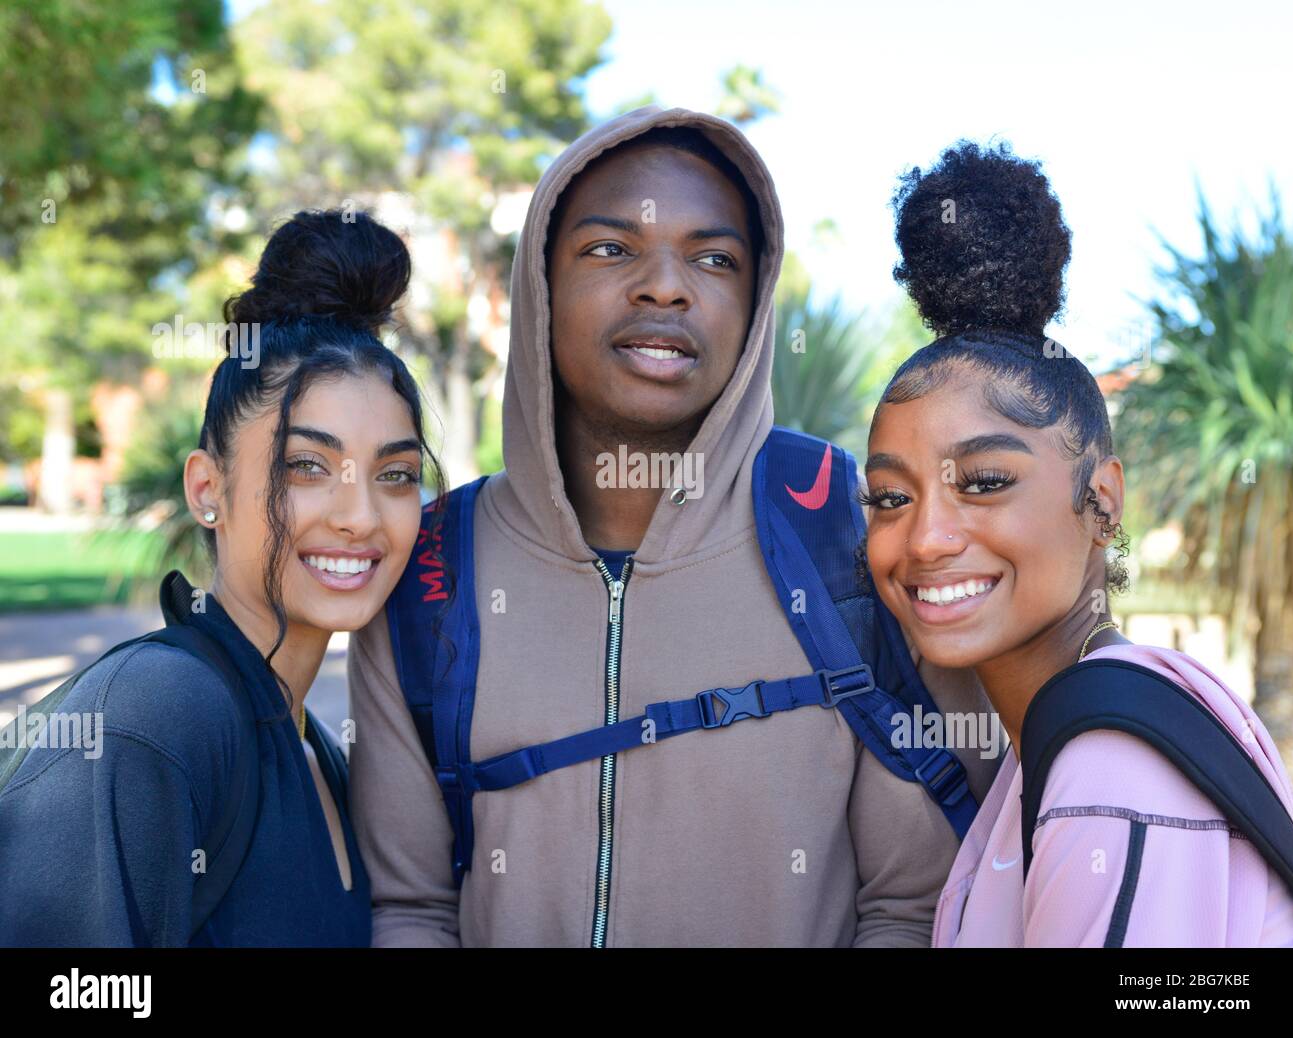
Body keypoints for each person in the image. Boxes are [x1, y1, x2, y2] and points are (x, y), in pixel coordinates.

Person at [346, 105, 1002, 947]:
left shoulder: (849, 533)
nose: (665, 286)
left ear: (756, 302)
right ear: (540, 288)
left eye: (715, 258)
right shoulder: (433, 566)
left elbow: (911, 909)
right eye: (611, 249)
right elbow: (411, 910)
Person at [860, 140, 1293, 946]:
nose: (924, 537)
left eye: (985, 482)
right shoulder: (1078, 728)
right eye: (890, 497)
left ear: (1101, 500)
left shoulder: (1109, 767)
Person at [0, 209, 443, 946]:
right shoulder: (157, 715)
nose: (361, 516)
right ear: (207, 489)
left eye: (395, 474)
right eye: (307, 466)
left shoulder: (314, 749)